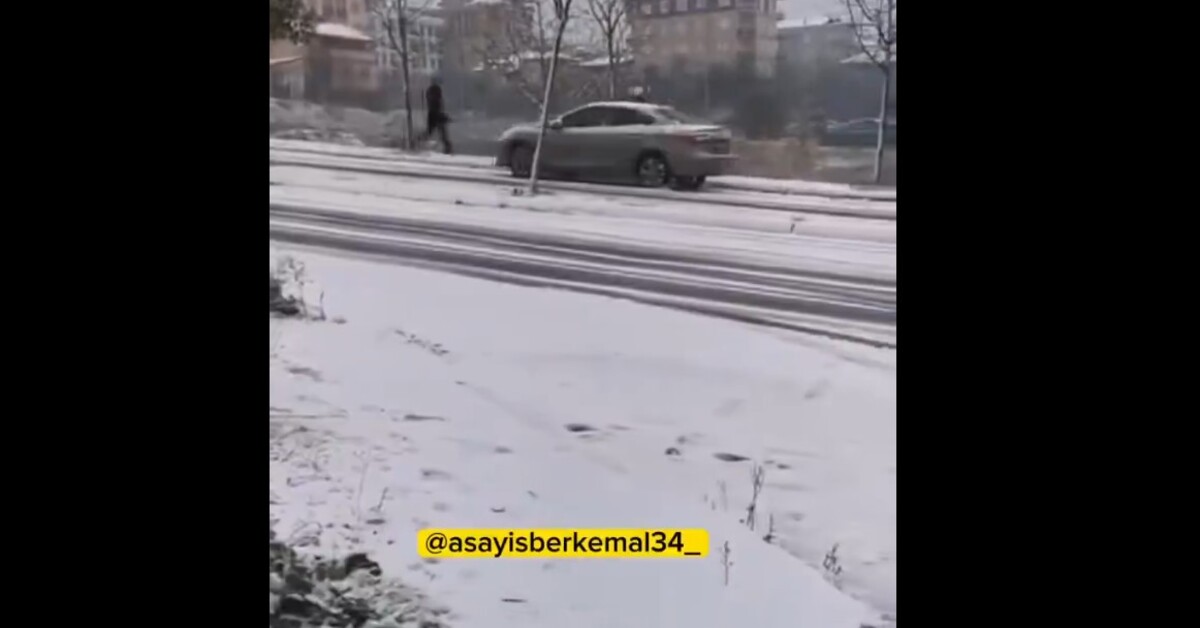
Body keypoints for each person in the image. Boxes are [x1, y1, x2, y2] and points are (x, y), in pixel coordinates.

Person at [422, 78, 453, 154]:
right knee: (440, 132)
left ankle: (447, 147)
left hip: (433, 114)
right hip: (436, 114)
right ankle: (447, 148)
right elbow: (437, 104)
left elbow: (435, 103)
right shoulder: (435, 90)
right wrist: (444, 116)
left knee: (432, 132)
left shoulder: (430, 91)